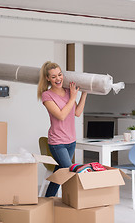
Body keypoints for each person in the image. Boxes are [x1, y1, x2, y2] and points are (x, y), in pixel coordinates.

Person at [37, 61, 87, 197]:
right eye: (53, 77)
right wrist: (72, 97)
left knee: (59, 174)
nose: (58, 79)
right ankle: (78, 199)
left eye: (59, 75)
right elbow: (61, 115)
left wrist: (84, 94)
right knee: (68, 171)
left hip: (71, 140)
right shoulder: (47, 95)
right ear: (47, 78)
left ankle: (48, 200)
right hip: (57, 142)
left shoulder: (67, 92)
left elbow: (77, 112)